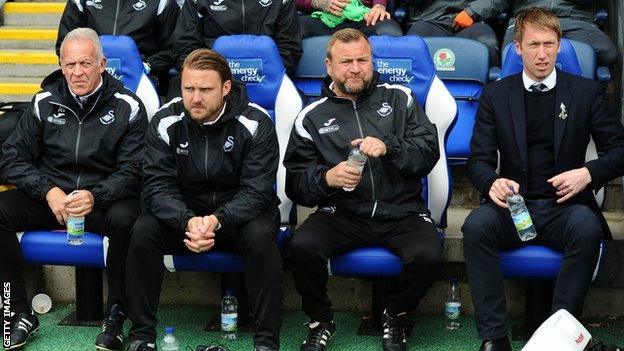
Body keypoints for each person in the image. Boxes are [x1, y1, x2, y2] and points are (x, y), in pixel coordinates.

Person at [462, 7, 624, 351]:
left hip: (563, 208)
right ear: (517, 48)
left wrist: (587, 173)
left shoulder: (585, 92)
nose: (542, 53)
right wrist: (491, 182)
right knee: (476, 226)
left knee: (586, 227)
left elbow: (619, 151)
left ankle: (560, 339)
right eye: (533, 44)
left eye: (549, 44)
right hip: (513, 207)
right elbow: (478, 160)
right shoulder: (496, 94)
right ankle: (494, 339)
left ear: (560, 44)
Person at [284, 28, 442, 351]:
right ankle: (320, 320)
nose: (356, 68)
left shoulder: (400, 98)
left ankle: (394, 313)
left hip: (401, 211)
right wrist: (327, 178)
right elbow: (295, 182)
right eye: (346, 62)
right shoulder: (311, 117)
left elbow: (428, 150)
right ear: (329, 66)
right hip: (342, 213)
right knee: (302, 246)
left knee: (428, 254)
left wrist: (390, 148)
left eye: (362, 60)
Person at [125, 48, 282, 351]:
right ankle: (142, 337)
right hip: (184, 216)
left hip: (238, 217)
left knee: (261, 236)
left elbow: (257, 190)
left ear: (225, 88)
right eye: (189, 88)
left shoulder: (256, 122)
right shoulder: (165, 120)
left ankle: (266, 342)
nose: (195, 98)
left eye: (205, 89)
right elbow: (156, 186)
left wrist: (215, 219)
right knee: (143, 230)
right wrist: (188, 220)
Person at [0, 28, 147, 351]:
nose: (77, 72)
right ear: (61, 65)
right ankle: (17, 313)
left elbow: (135, 170)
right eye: (69, 65)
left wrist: (97, 195)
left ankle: (117, 316)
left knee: (131, 221)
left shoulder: (128, 106)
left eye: (85, 63)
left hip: (102, 201)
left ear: (102, 64)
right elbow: (11, 157)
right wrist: (48, 190)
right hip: (52, 199)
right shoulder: (43, 102)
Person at [55, 0, 180, 94]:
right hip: (90, 74)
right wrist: (85, 65)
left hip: (142, 78)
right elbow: (64, 43)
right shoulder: (81, 1)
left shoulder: (161, 2)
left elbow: (173, 46)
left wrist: (147, 66)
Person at [170, 0, 302, 86]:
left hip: (267, 82)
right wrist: (210, 78)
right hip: (208, 82)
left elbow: (290, 49)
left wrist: (255, 75)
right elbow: (184, 49)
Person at [502, 1, 617, 67]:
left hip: (575, 18)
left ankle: (592, 96)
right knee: (509, 53)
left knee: (607, 53)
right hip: (530, 16)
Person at [406, 0, 501, 66]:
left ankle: (489, 92)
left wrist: (473, 11)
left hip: (473, 21)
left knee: (488, 44)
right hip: (429, 20)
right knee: (412, 46)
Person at [297, 0, 403, 38]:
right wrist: (316, 2)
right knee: (292, 28)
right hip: (324, 19)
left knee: (390, 30)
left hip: (364, 19)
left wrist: (379, 5)